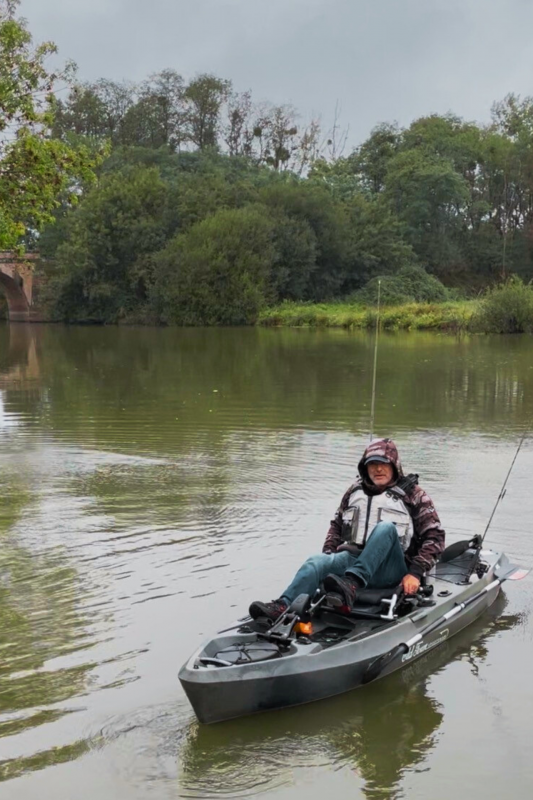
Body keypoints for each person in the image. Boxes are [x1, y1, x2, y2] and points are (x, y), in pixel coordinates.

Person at [249, 438, 445, 621]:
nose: (377, 469)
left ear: (394, 465)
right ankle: (283, 606)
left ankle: (350, 585)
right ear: (364, 467)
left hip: (391, 569)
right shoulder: (354, 491)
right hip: (353, 560)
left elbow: (435, 537)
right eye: (372, 464)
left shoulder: (415, 495)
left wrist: (416, 573)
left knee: (385, 528)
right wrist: (328, 559)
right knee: (316, 561)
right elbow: (336, 527)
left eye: (383, 464)